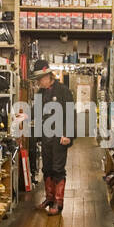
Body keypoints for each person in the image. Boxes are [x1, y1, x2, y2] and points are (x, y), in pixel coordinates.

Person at [31, 58, 74, 215]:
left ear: (47, 76)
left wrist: (69, 134)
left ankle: (58, 202)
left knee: (58, 169)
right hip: (46, 136)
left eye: (39, 79)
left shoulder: (63, 90)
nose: (38, 82)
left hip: (60, 137)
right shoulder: (40, 94)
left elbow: (70, 113)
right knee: (47, 168)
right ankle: (49, 198)